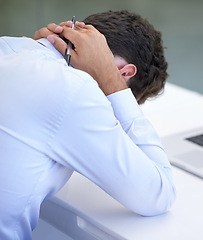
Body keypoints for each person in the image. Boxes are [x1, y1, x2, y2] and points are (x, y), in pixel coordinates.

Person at [0, 10, 176, 239]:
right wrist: (114, 86)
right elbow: (159, 195)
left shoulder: (8, 46)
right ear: (125, 73)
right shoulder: (75, 89)